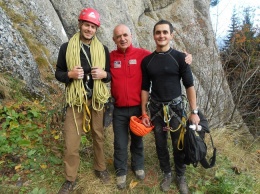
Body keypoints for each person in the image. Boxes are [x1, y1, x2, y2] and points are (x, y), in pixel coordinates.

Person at [110, 24, 192, 189]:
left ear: (131, 36)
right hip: (121, 108)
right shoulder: (110, 56)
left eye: (125, 35)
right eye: (118, 36)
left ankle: (140, 166)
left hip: (146, 107)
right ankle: (122, 172)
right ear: (114, 39)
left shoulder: (142, 55)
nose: (122, 39)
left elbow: (164, 56)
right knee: (121, 142)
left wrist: (186, 56)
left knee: (140, 140)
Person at [55, 8, 111, 194]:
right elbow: (59, 73)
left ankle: (100, 168)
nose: (89, 29)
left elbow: (109, 75)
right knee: (71, 140)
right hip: (76, 100)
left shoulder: (103, 50)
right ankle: (70, 179)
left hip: (96, 99)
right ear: (80, 24)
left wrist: (104, 74)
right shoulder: (66, 47)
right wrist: (70, 74)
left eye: (93, 26)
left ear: (96, 29)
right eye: (86, 25)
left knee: (98, 136)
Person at [141, 20, 200, 194]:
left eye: (165, 32)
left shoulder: (180, 58)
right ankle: (167, 173)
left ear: (171, 35)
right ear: (154, 36)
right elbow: (145, 87)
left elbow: (189, 86)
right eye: (158, 32)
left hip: (175, 109)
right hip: (156, 110)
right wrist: (144, 112)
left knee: (178, 144)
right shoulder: (147, 61)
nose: (161, 35)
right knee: (160, 144)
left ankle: (180, 176)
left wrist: (194, 111)